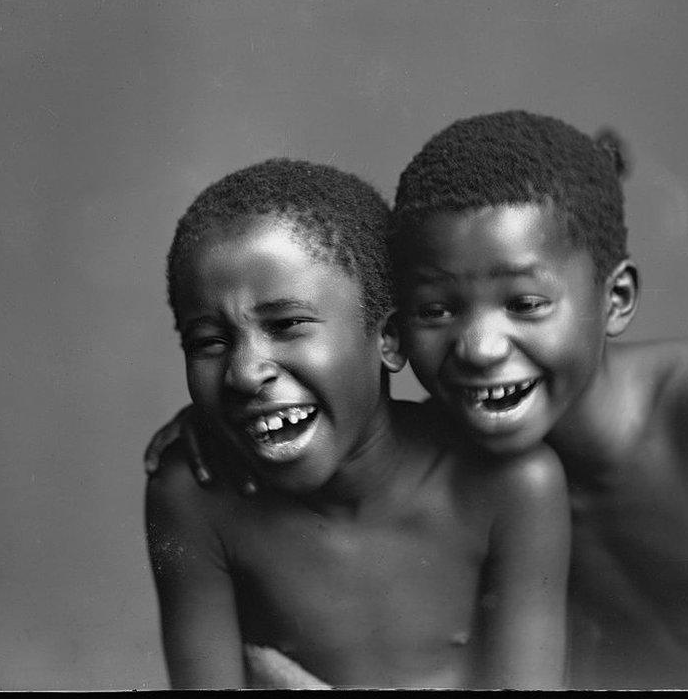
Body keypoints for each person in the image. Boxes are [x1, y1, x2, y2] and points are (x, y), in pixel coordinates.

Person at [148, 113, 688, 690]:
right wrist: (220, 422)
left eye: (525, 303)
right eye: (438, 311)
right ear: (396, 331)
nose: (479, 348)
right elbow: (314, 388)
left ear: (614, 301)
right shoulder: (467, 435)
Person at [145, 158, 570, 689]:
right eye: (208, 342)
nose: (244, 373)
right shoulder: (193, 495)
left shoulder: (512, 484)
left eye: (287, 324)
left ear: (388, 338)